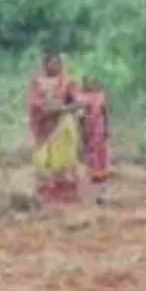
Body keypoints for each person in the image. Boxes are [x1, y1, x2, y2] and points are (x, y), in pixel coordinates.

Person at [27, 51, 82, 204]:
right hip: (44, 126)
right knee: (44, 159)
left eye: (57, 63)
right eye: (50, 63)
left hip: (63, 124)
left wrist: (62, 109)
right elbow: (35, 104)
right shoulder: (37, 83)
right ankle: (46, 194)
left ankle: (66, 193)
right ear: (44, 64)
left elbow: (78, 102)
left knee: (64, 158)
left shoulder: (68, 82)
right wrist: (47, 108)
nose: (54, 66)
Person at [78, 76, 112, 204]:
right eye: (87, 83)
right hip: (88, 134)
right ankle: (91, 193)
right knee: (89, 163)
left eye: (92, 82)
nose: (90, 85)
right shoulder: (80, 98)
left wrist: (106, 130)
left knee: (102, 162)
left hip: (99, 133)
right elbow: (80, 119)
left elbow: (105, 113)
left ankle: (103, 192)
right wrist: (80, 135)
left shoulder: (100, 97)